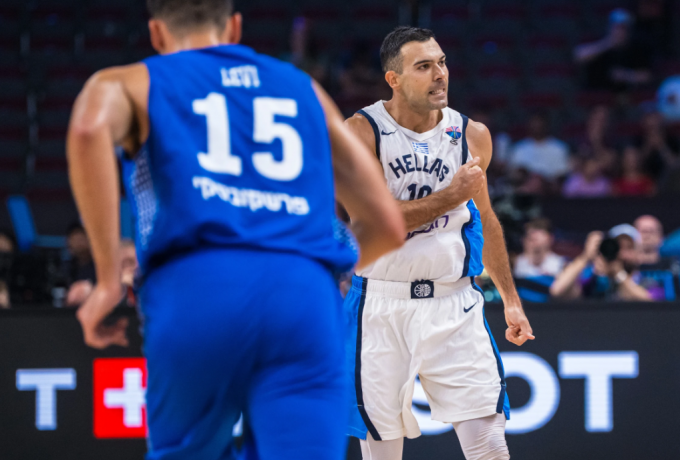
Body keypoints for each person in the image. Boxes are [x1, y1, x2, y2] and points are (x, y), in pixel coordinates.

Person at [66, 1, 406, 459]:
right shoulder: (302, 88)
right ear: (234, 28)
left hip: (196, 286)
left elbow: (87, 129)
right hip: (302, 292)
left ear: (157, 34)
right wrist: (324, 270)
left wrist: (108, 280)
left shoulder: (131, 81)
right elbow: (387, 224)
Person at [343, 26, 534, 460]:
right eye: (424, 66)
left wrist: (510, 299)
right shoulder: (361, 132)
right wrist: (451, 195)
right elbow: (377, 223)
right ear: (393, 79)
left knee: (490, 446)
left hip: (455, 303)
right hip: (381, 305)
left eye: (442, 62)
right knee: (382, 452)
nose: (440, 74)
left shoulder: (472, 134)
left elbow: (485, 219)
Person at [550, 227, 652, 301]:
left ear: (638, 252)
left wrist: (619, 274)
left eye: (629, 248)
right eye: (619, 248)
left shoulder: (646, 280)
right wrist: (585, 257)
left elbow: (650, 303)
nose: (622, 254)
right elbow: (557, 291)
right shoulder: (594, 280)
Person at [573, 8, 653, 92]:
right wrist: (608, 44)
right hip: (598, 93)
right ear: (609, 28)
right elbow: (579, 55)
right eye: (616, 28)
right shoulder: (600, 45)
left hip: (627, 95)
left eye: (623, 28)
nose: (619, 32)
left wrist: (626, 75)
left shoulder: (638, 49)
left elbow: (648, 76)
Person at [508, 112, 571, 185]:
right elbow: (513, 173)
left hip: (550, 188)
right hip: (523, 187)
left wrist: (542, 181)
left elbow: (563, 174)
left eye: (539, 123)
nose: (537, 126)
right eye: (534, 123)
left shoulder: (559, 148)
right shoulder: (519, 148)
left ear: (546, 125)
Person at [514, 219, 566, 302]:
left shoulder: (561, 264)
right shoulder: (514, 263)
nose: (534, 240)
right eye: (530, 236)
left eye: (538, 235)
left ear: (550, 238)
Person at [634, 215, 680, 300]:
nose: (647, 236)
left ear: (661, 237)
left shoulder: (674, 267)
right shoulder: (626, 267)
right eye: (643, 231)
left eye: (651, 231)